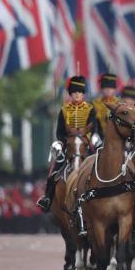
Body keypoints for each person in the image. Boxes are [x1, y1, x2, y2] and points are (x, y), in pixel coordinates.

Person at [37, 75, 100, 212]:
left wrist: (87, 139)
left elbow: (94, 128)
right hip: (69, 146)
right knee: (54, 170)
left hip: (85, 145)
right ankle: (47, 197)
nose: (77, 95)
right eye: (74, 92)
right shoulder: (64, 110)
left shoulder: (90, 109)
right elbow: (59, 131)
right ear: (70, 94)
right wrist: (64, 142)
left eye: (80, 92)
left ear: (83, 94)